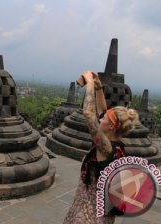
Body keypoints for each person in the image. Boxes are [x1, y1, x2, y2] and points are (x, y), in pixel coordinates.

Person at [63, 71, 139, 224]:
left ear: (111, 126)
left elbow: (89, 114)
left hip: (88, 215)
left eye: (104, 118)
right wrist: (98, 88)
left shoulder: (105, 148)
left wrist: (89, 83)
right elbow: (102, 111)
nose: (101, 117)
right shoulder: (117, 145)